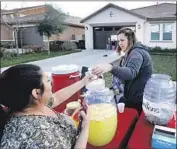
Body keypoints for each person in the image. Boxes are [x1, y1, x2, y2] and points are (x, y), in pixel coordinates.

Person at [0, 64, 94, 149]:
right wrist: (85, 128)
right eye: (47, 80)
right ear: (36, 93)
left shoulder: (26, 104)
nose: (51, 83)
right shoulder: (41, 138)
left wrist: (83, 82)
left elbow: (56, 98)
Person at [91, 27, 153, 114]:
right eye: (118, 41)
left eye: (122, 40)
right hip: (130, 95)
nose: (120, 43)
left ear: (130, 39)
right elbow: (122, 72)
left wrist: (111, 67)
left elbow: (131, 72)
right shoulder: (129, 54)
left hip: (138, 99)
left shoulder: (137, 53)